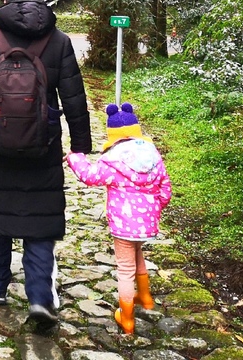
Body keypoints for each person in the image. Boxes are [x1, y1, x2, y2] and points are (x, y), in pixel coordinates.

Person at [0, 0, 92, 328]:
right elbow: (75, 98)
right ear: (40, 4)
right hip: (43, 148)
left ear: (4, 2)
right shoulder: (59, 41)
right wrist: (80, 148)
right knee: (40, 223)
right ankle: (40, 297)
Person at [65, 102, 172, 334]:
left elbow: (89, 176)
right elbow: (165, 189)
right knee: (138, 253)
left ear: (111, 134)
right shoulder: (152, 154)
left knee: (125, 268)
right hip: (147, 222)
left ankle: (127, 318)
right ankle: (145, 297)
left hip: (124, 225)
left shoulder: (112, 159)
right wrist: (155, 207)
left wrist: (76, 158)